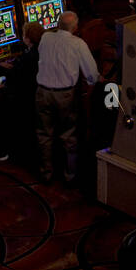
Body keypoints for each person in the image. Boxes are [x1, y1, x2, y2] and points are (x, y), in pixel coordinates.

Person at [35, 11, 100, 184]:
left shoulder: (45, 38)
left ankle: (46, 175)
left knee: (44, 135)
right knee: (69, 136)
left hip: (42, 92)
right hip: (65, 95)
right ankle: (70, 176)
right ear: (76, 28)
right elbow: (92, 74)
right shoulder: (78, 44)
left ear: (57, 24)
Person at [8, 22, 44, 168]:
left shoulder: (28, 57)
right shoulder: (40, 51)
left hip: (25, 98)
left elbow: (15, 75)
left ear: (28, 39)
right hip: (36, 94)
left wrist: (4, 67)